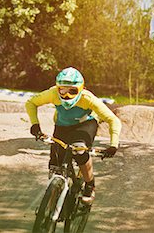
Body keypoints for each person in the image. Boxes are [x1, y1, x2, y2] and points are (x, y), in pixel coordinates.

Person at [25, 67, 121, 205]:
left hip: (85, 125)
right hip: (62, 126)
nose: (66, 95)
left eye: (72, 91)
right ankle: (54, 195)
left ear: (81, 89)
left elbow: (113, 120)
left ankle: (90, 185)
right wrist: (35, 125)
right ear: (57, 88)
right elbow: (31, 103)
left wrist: (113, 144)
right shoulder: (52, 93)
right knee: (55, 163)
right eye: (62, 90)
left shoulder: (87, 98)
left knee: (79, 150)